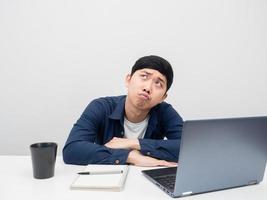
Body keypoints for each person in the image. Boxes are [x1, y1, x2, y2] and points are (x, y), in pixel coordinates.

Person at [63, 55, 183, 167]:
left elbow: (190, 147)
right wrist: (130, 156)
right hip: (108, 178)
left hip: (147, 181)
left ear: (163, 98)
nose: (147, 88)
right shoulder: (101, 107)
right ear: (128, 80)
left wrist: (135, 143)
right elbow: (72, 149)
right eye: (144, 76)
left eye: (158, 83)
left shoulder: (165, 112)